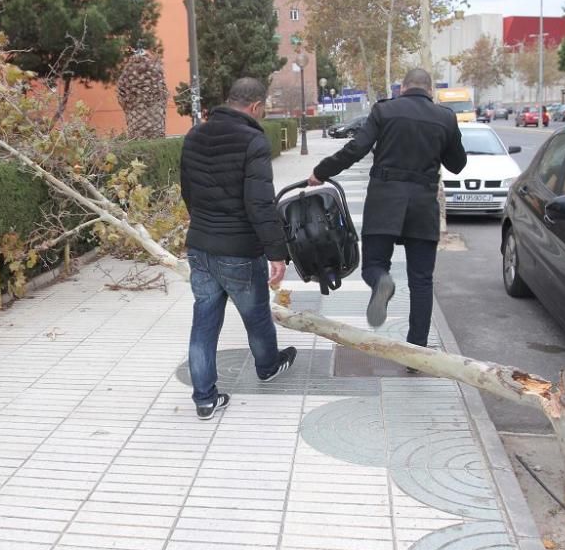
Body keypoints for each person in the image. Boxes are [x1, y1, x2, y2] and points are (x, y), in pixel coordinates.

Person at [307, 68, 466, 365]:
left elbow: (356, 148)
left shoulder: (385, 111)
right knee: (421, 281)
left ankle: (382, 281)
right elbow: (458, 164)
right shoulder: (444, 117)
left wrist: (321, 172)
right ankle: (417, 354)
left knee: (374, 264)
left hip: (384, 201)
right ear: (430, 90)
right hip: (423, 205)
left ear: (402, 88)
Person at [180, 78, 298, 420]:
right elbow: (260, 204)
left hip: (200, 245)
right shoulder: (253, 140)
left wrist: (204, 224)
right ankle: (268, 365)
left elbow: (188, 189)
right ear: (256, 107)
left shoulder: (194, 135)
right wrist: (277, 253)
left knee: (204, 319)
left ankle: (204, 398)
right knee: (256, 314)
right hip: (239, 250)